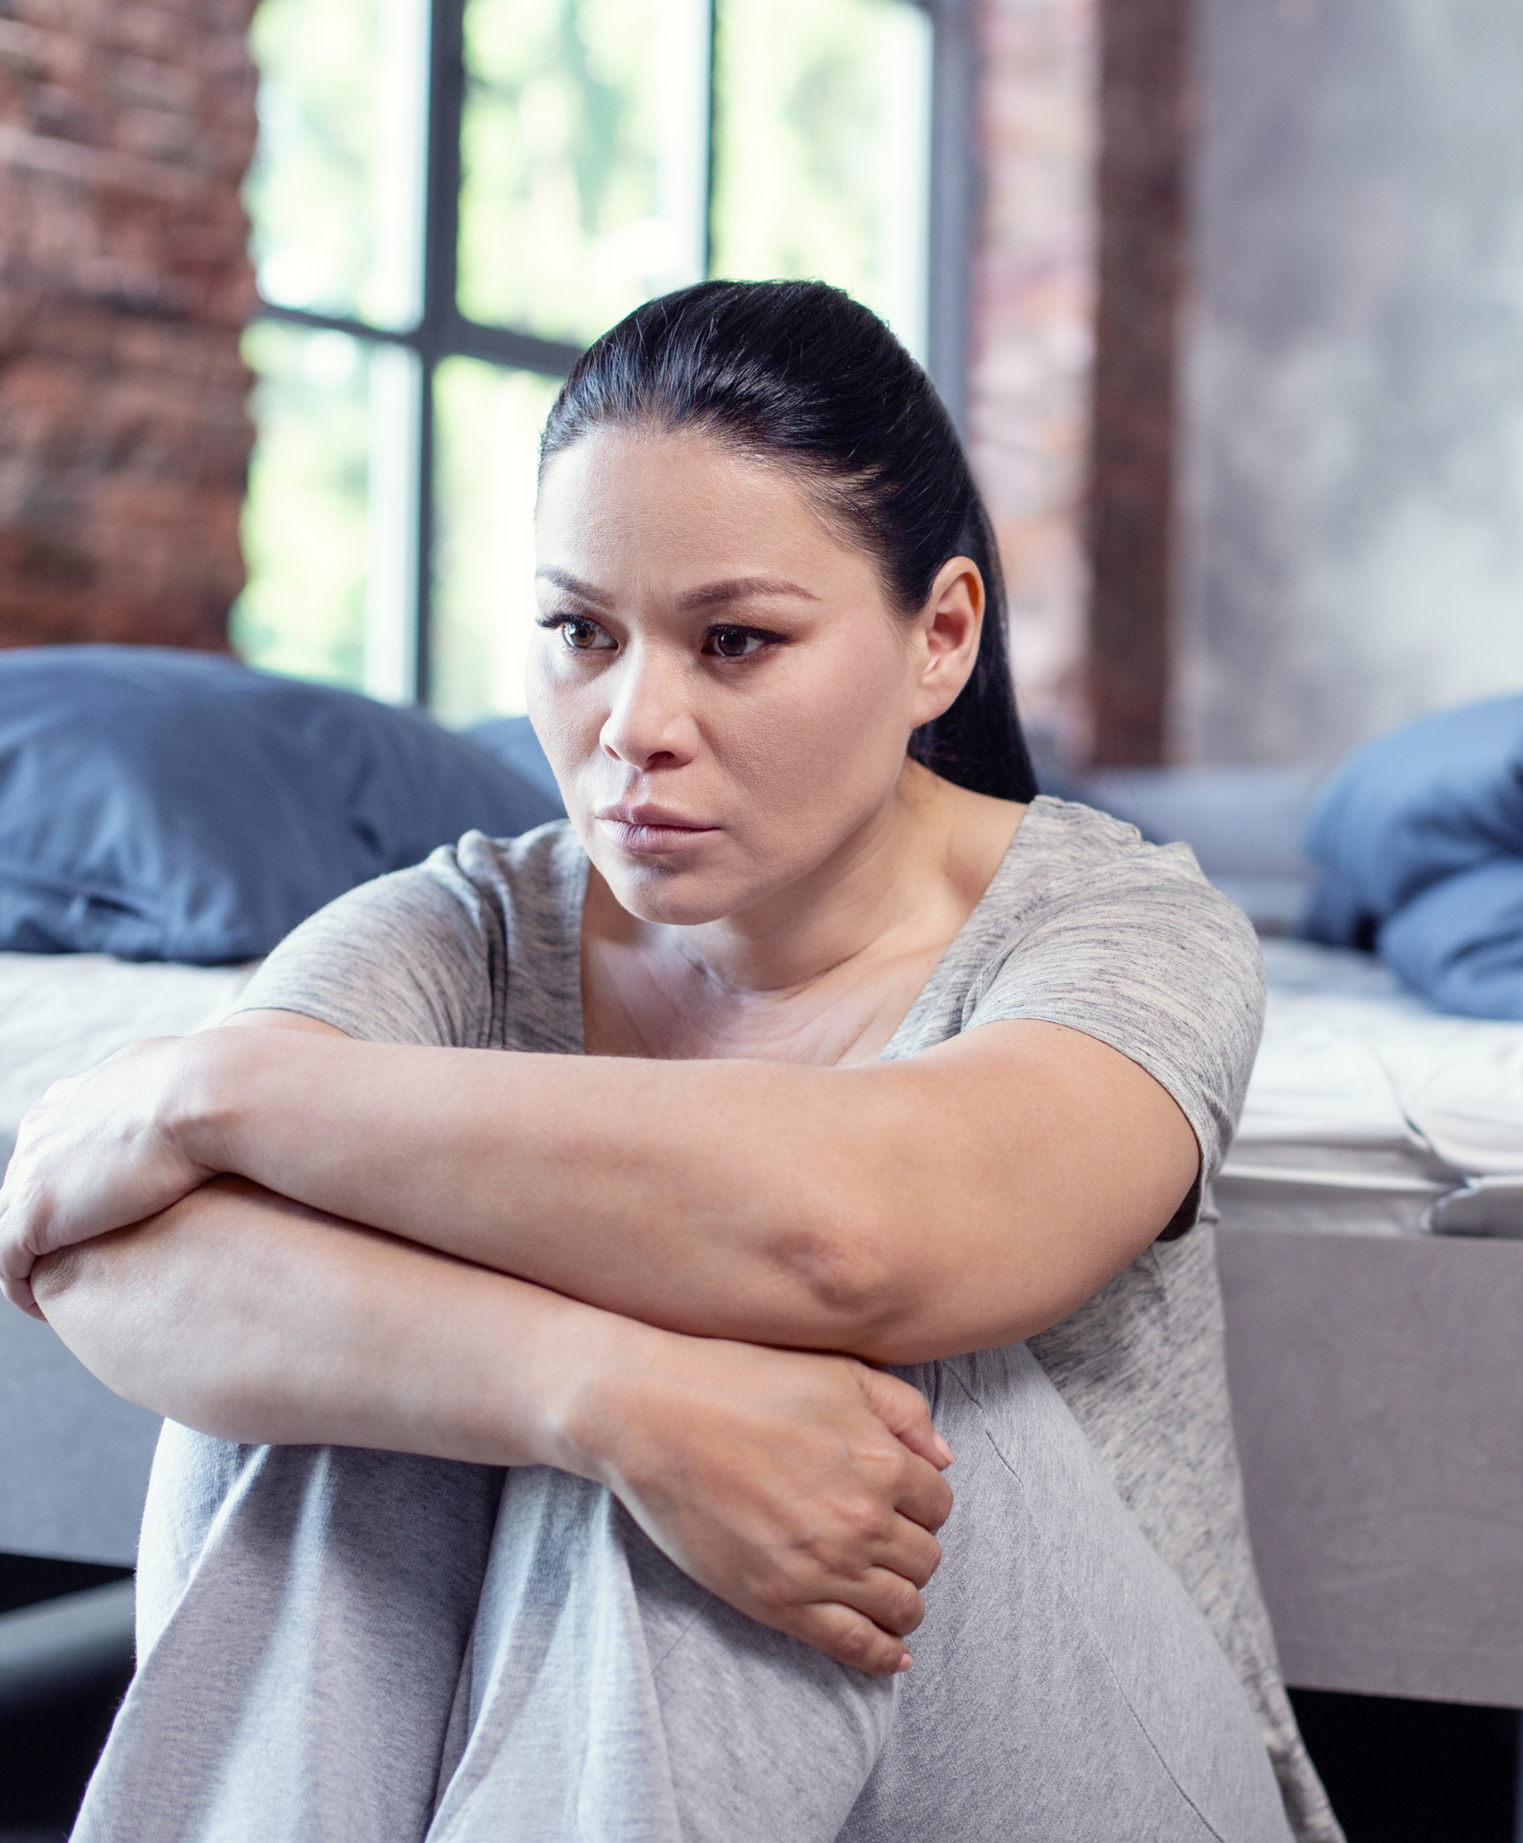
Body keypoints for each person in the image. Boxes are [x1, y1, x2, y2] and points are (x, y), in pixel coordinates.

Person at [2, 281, 1338, 1843]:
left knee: (781, 1345)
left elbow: (858, 1233)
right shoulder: (463, 928)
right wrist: (604, 1395)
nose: (634, 724)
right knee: (379, 1369)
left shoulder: (1125, 924)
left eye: (736, 641)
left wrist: (207, 1090)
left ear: (941, 638)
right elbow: (97, 1254)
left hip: (1092, 1778)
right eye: (582, 633)